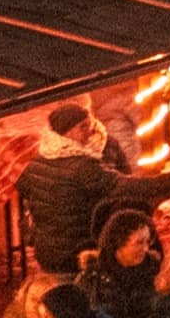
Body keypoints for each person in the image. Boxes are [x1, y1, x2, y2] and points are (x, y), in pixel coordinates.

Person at [14, 102, 122, 283]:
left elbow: (23, 188)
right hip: (76, 254)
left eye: (89, 125)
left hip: (58, 252)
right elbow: (123, 183)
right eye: (83, 127)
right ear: (67, 132)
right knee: (79, 298)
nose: (89, 131)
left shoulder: (43, 158)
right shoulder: (79, 163)